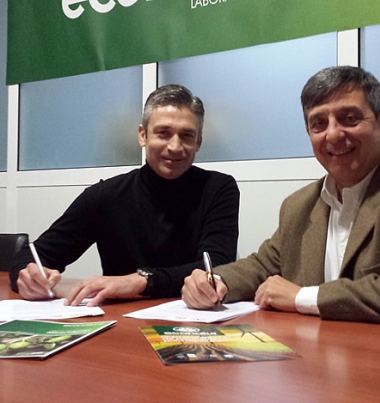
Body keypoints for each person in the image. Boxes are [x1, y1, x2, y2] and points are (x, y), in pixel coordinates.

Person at [182, 66, 380, 326]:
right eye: (319, 123)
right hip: (316, 348)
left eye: (349, 118)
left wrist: (302, 297)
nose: (333, 134)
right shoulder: (299, 205)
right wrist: (213, 282)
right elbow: (262, 266)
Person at [10, 85, 239, 305]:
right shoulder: (106, 196)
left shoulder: (219, 189)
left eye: (187, 135)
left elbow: (218, 267)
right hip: (119, 320)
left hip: (195, 318)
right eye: (163, 133)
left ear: (198, 142)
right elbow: (33, 255)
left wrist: (141, 281)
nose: (175, 146)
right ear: (143, 136)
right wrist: (28, 276)